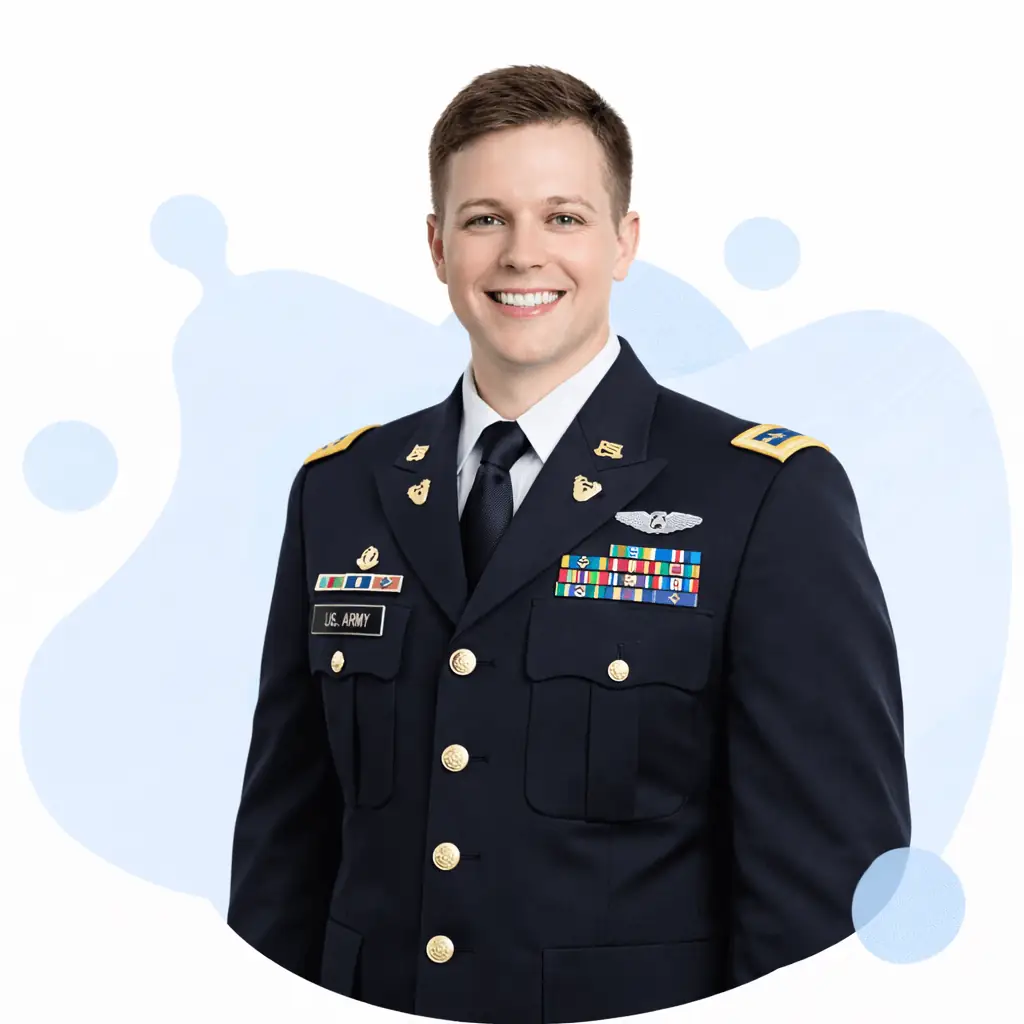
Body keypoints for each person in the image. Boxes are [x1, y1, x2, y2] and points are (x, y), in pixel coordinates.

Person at [226, 64, 911, 1023]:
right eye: (485, 219)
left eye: (563, 217)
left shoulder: (762, 496)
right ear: (437, 246)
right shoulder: (341, 491)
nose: (522, 254)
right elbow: (282, 856)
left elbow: (827, 894)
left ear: (624, 242)